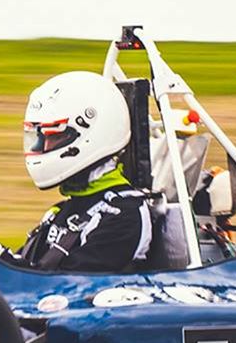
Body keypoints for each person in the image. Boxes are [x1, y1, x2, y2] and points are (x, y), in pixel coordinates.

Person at [11, 70, 154, 272]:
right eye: (39, 137)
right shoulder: (60, 211)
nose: (41, 146)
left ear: (92, 134)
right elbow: (21, 269)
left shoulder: (124, 215)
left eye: (53, 136)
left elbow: (65, 285)